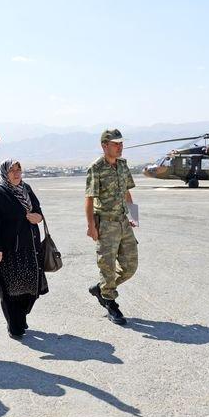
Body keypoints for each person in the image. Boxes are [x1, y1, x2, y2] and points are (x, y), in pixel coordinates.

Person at [0, 159, 48, 338]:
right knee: (10, 290)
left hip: (30, 247)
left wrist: (38, 217)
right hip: (7, 250)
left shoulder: (26, 189)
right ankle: (15, 325)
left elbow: (38, 210)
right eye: (12, 170)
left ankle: (20, 316)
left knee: (31, 288)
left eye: (18, 169)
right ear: (5, 173)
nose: (16, 173)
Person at [84, 129, 138, 326]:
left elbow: (127, 193)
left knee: (130, 266)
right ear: (104, 145)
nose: (120, 146)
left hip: (124, 221)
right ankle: (110, 303)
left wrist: (134, 216)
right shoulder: (96, 168)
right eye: (116, 144)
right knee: (106, 266)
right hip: (105, 223)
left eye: (121, 143)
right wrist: (91, 227)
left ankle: (102, 289)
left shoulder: (123, 165)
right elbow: (89, 199)